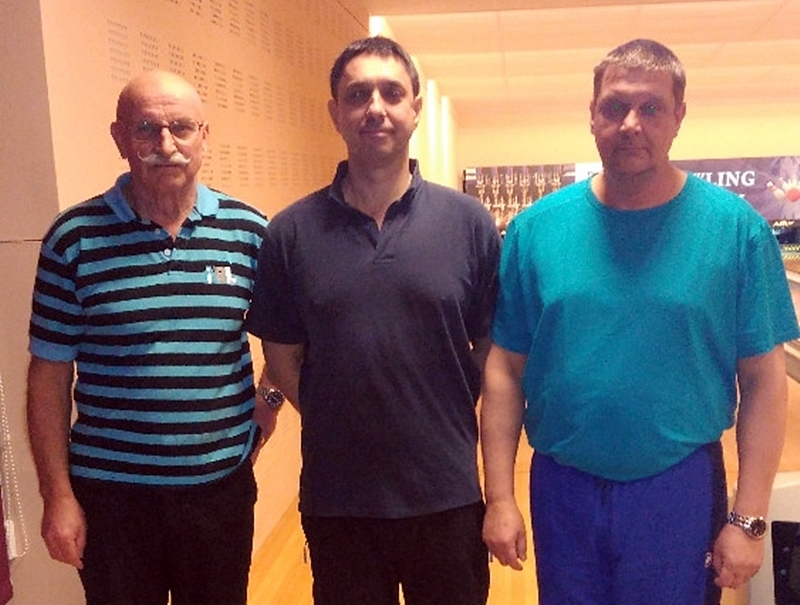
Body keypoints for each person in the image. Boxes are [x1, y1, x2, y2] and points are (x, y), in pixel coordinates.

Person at [480, 38, 800, 605]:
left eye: (651, 107)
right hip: (562, 484)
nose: (631, 124)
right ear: (592, 115)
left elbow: (764, 380)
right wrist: (501, 497)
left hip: (679, 486)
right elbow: (505, 369)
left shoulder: (736, 231)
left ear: (679, 116)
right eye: (615, 106)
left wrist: (749, 519)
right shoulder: (536, 231)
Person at [244, 36, 501, 605]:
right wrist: (337, 411)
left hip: (447, 495)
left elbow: (491, 345)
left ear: (415, 108)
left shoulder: (468, 223)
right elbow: (280, 358)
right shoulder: (290, 232)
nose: (375, 108)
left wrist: (443, 404)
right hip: (339, 501)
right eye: (358, 95)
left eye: (391, 93)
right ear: (335, 112)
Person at [26, 70, 275, 605]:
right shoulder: (73, 239)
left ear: (204, 136)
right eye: (146, 129)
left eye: (181, 127)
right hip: (112, 500)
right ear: (119, 138)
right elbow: (48, 375)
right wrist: (57, 496)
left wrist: (269, 401)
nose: (166, 144)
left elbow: (287, 341)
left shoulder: (249, 232)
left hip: (219, 493)